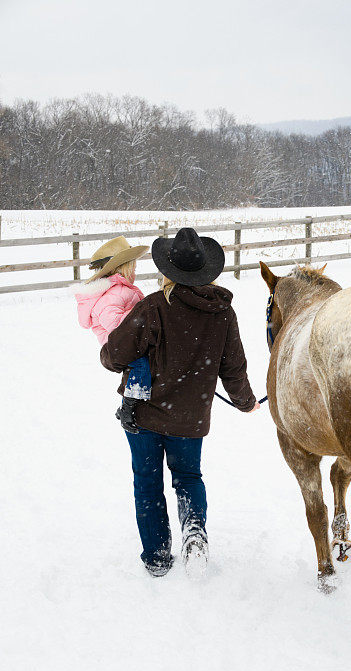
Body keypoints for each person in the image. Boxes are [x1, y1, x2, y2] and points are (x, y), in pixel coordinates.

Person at [100, 227, 259, 578]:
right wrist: (246, 401)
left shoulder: (155, 306)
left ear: (167, 270)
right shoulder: (222, 312)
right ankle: (195, 536)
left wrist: (115, 354)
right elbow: (233, 367)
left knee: (147, 481)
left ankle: (157, 557)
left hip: (145, 415)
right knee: (188, 478)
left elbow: (114, 355)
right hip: (191, 416)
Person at [74, 236, 152, 433]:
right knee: (141, 366)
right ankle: (128, 408)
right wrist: (140, 314)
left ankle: (128, 405)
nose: (135, 271)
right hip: (119, 344)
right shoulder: (114, 293)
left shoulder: (120, 290)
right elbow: (115, 325)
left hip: (125, 342)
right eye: (133, 267)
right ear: (122, 269)